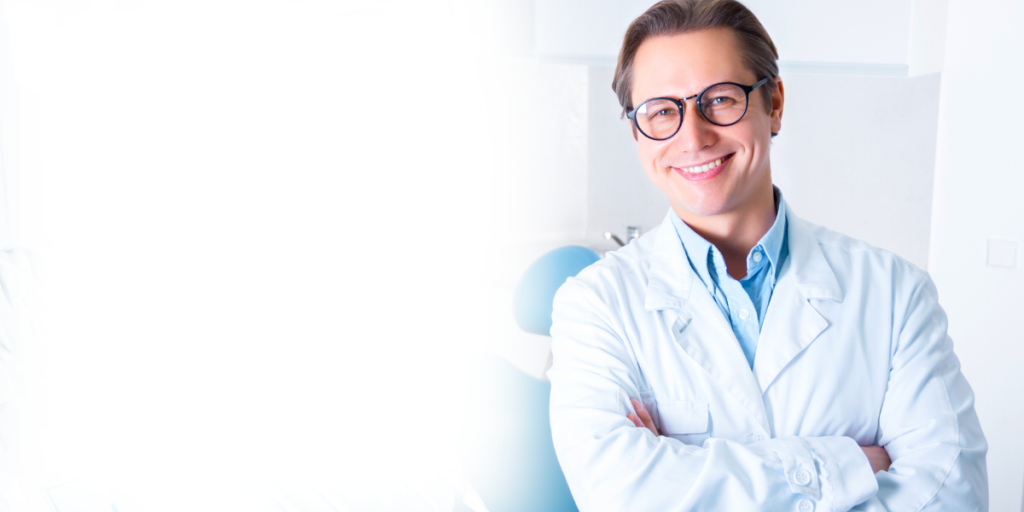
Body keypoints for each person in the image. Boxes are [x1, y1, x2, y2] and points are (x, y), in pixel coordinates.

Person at [546, 0, 988, 510]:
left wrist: (685, 472)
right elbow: (618, 493)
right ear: (636, 133)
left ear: (774, 103)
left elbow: (953, 497)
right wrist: (848, 465)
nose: (693, 136)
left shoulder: (895, 295)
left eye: (721, 99)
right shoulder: (595, 305)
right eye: (663, 111)